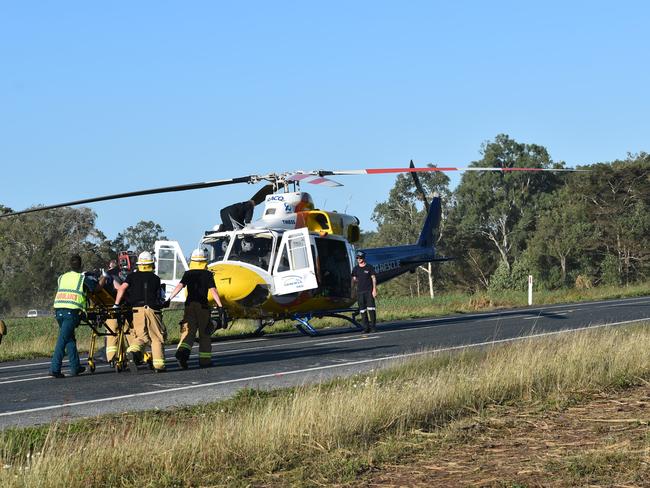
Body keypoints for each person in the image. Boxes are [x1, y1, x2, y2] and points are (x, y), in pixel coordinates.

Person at [167, 248, 223, 369]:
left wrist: (169, 298)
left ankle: (182, 353)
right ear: (204, 261)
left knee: (189, 332)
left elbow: (179, 286)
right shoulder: (208, 274)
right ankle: (205, 360)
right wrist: (220, 306)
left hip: (189, 306)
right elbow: (213, 291)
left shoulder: (188, 274)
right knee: (204, 333)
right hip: (202, 307)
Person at [50, 254, 104, 378]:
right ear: (81, 265)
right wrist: (103, 278)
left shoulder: (62, 278)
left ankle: (75, 367)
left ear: (70, 265)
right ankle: (54, 368)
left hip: (59, 311)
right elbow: (96, 289)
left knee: (69, 339)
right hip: (72, 312)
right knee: (62, 340)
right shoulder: (81, 278)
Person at [114, 251, 167, 373]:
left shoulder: (131, 277)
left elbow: (122, 288)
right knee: (156, 337)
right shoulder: (156, 279)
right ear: (151, 264)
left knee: (141, 336)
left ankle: (132, 350)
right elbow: (160, 297)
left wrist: (116, 304)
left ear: (139, 264)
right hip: (153, 310)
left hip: (136, 310)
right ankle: (159, 366)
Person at [351, 250, 378, 333]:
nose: (358, 259)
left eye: (360, 258)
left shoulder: (369, 267)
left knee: (371, 309)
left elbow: (373, 278)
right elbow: (354, 280)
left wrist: (374, 289)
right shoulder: (355, 269)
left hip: (369, 291)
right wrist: (353, 290)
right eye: (357, 258)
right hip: (360, 292)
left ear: (363, 258)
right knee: (362, 310)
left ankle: (373, 327)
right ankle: (366, 328)